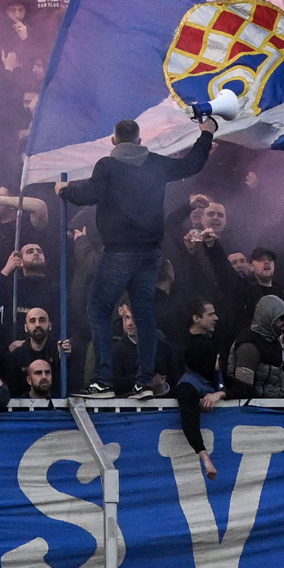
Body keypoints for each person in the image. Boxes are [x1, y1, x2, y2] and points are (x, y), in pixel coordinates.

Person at [83, 117, 203, 393]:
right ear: (139, 140)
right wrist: (206, 134)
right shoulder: (155, 163)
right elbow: (192, 164)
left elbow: (90, 194)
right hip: (150, 253)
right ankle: (145, 381)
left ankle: (102, 380)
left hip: (118, 252)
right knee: (145, 314)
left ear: (113, 141)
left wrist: (65, 190)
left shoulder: (107, 165)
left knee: (99, 311)